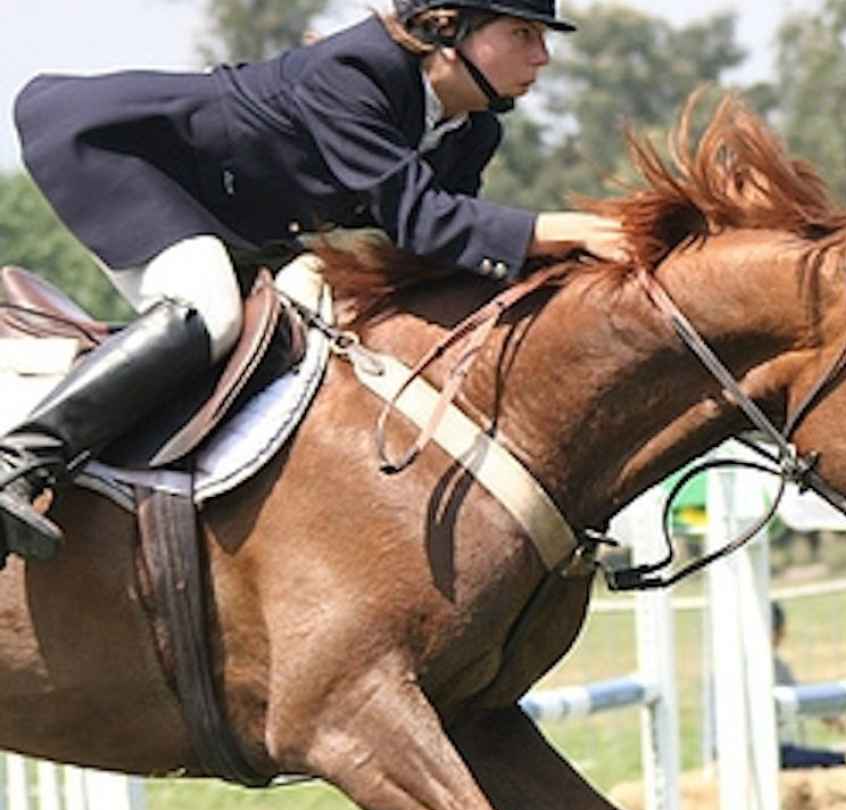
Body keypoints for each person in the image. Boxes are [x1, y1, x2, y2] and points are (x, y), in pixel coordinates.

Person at [0, 0, 627, 567]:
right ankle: (16, 465)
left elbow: (443, 254)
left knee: (307, 315)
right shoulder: (355, 71)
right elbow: (422, 219)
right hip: (118, 153)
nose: (542, 56)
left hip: (228, 214)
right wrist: (556, 227)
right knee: (208, 310)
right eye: (522, 33)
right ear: (445, 28)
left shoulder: (474, 130)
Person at [771, 602, 846, 770]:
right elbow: (801, 702)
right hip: (774, 753)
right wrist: (830, 716)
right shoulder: (774, 667)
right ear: (777, 632)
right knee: (838, 760)